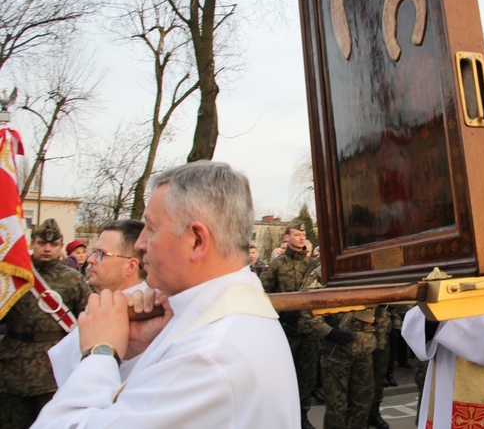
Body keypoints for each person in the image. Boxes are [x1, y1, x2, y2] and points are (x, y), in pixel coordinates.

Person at [32, 161, 299, 428]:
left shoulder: (207, 356)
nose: (139, 244)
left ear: (197, 240)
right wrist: (134, 348)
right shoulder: (219, 320)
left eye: (151, 228)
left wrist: (100, 353)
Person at [0, 219, 91, 429]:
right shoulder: (14, 275)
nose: (47, 248)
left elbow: (87, 318)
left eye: (53, 244)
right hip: (12, 366)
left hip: (53, 368)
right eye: (41, 243)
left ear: (60, 246)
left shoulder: (72, 279)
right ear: (32, 244)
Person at [47, 219, 149, 387]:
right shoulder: (108, 304)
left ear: (130, 266)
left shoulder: (141, 311)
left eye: (101, 254)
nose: (91, 260)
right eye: (94, 252)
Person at [260, 219, 321, 429]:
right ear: (287, 237)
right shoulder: (277, 265)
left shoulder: (313, 265)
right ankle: (283, 417)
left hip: (309, 330)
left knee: (307, 377)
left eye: (303, 234)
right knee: (284, 377)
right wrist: (280, 313)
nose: (301, 237)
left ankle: (302, 417)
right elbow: (263, 294)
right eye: (296, 234)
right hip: (286, 332)